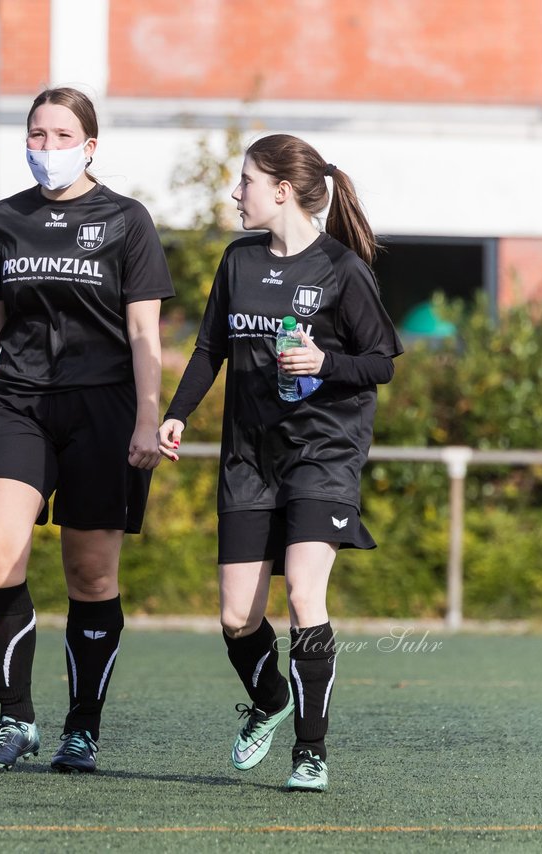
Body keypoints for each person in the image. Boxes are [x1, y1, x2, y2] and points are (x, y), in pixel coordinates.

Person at [157, 134, 402, 792]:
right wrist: (177, 411)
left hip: (323, 453)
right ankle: (269, 701)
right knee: (237, 615)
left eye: (245, 183)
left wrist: (325, 363)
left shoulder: (341, 270)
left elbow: (379, 361)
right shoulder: (238, 262)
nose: (236, 194)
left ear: (282, 191)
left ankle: (311, 751)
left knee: (301, 591)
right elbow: (209, 348)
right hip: (248, 456)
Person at [0, 87, 173, 773]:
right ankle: (14, 719)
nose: (47, 148)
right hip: (18, 404)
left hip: (102, 410)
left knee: (90, 573)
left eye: (62, 135)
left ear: (91, 145)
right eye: (37, 135)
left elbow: (144, 331)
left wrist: (146, 416)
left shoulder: (126, 220)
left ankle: (83, 729)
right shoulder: (4, 220)